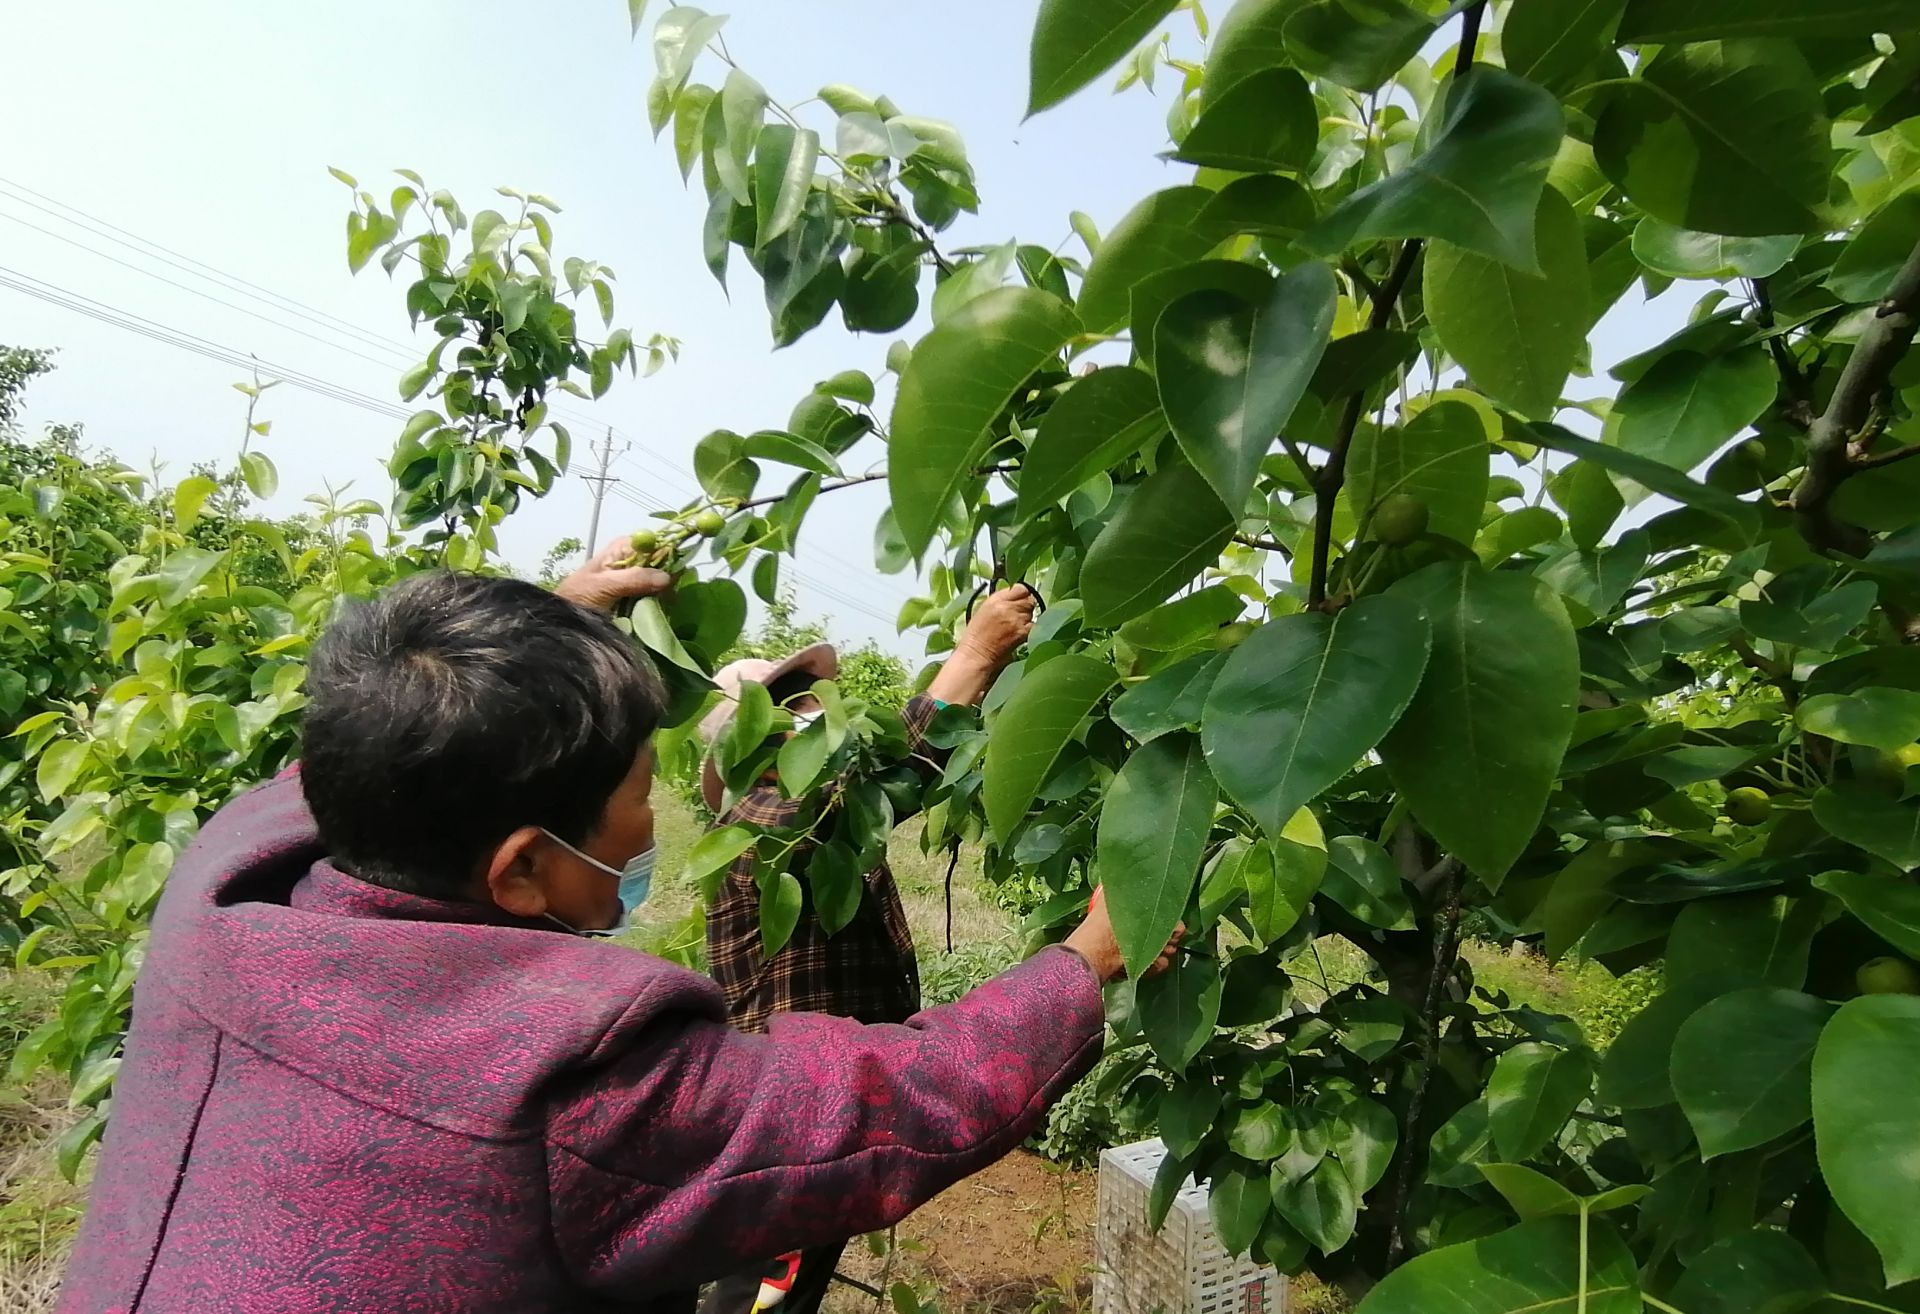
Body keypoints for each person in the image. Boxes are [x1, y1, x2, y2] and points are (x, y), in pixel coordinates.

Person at [59, 540, 1173, 1314]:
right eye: (640, 791)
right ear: (525, 869)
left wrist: (530, 636)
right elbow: (877, 1106)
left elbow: (377, 742)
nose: (656, 822)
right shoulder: (572, 1079)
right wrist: (1086, 963)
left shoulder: (227, 878)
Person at [696, 587, 1036, 1314]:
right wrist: (975, 655)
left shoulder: (823, 828)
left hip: (825, 1112)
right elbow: (869, 784)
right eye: (793, 705)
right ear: (752, 744)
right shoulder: (768, 825)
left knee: (790, 1281)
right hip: (786, 1125)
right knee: (758, 1292)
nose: (818, 714)